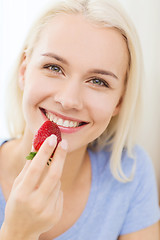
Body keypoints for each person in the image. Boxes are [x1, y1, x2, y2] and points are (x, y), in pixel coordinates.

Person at [0, 0, 159, 239]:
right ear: (24, 71)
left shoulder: (130, 172)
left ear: (119, 101)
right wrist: (18, 233)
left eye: (98, 81)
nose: (69, 100)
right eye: (54, 67)